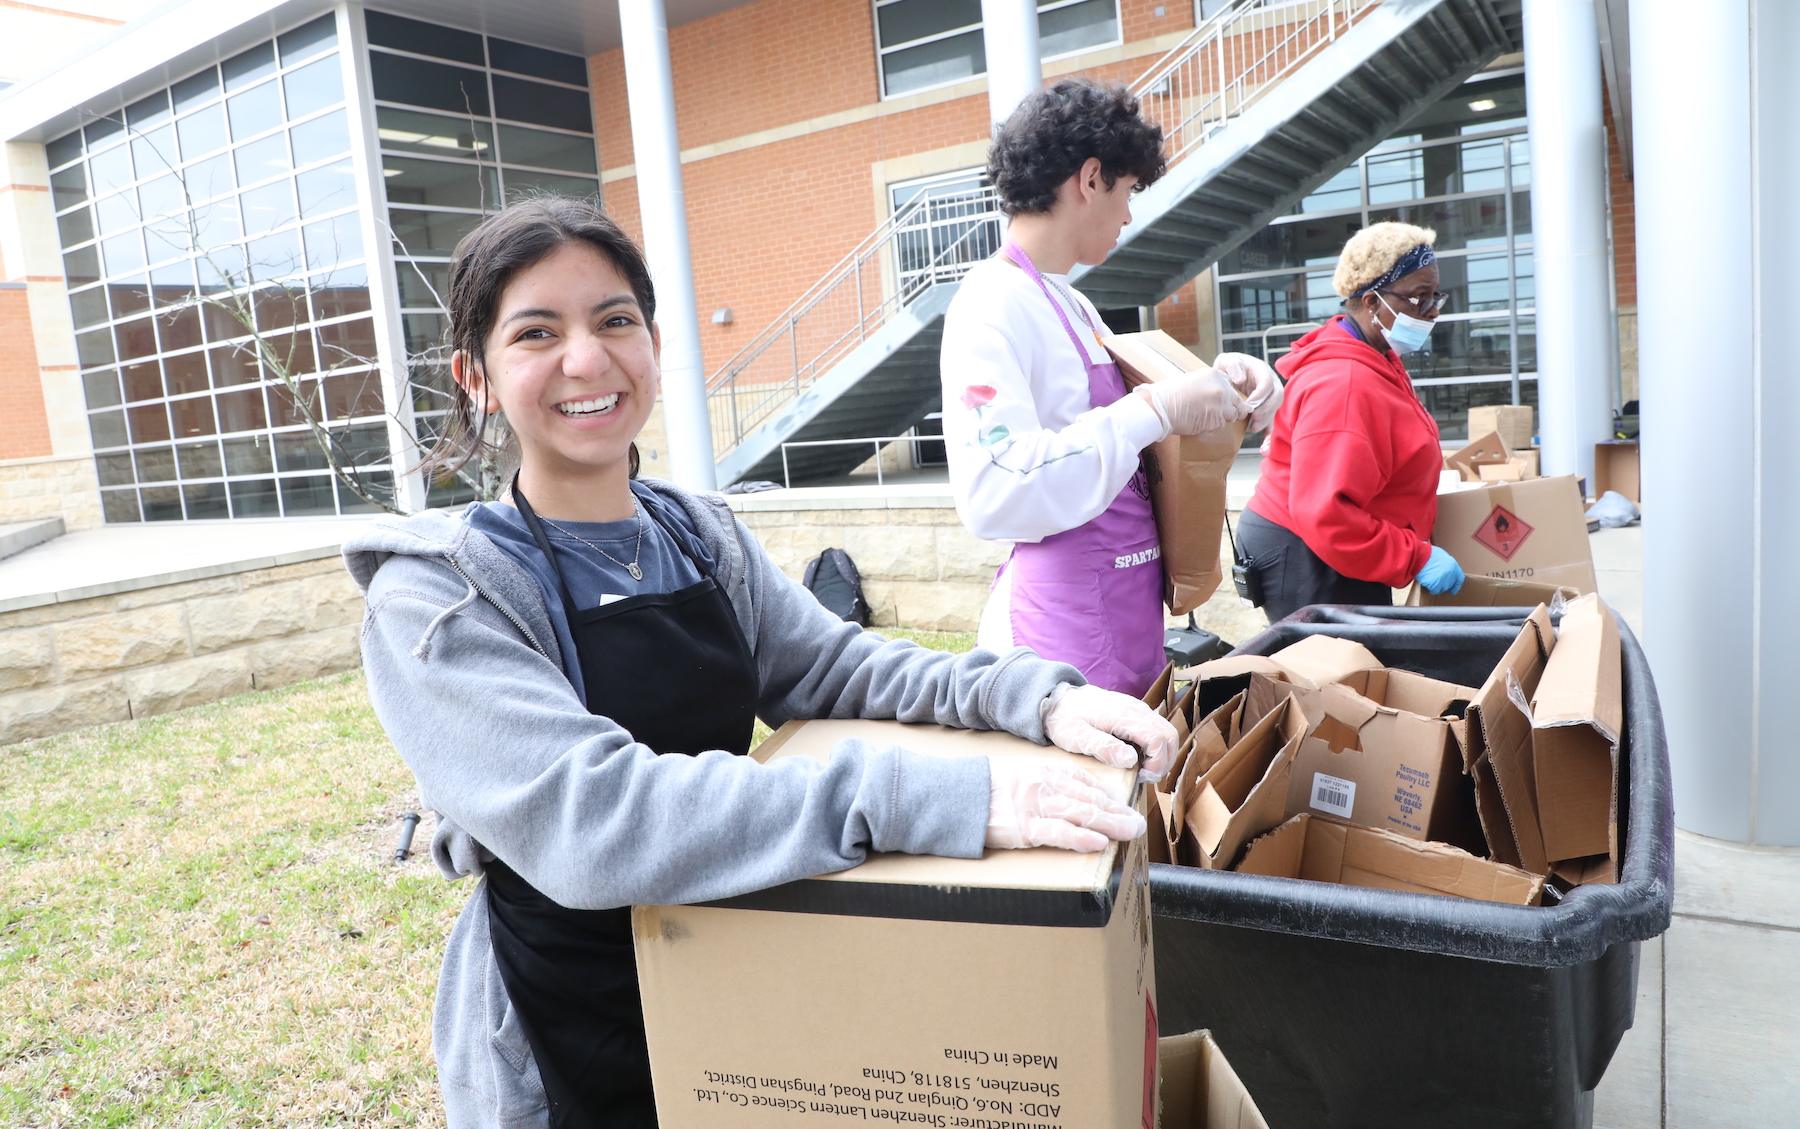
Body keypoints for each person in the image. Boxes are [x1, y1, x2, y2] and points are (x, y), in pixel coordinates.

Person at [342, 197, 1179, 1129]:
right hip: (566, 1020)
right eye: (537, 332)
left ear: (652, 343)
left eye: (615, 320)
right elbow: (595, 819)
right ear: (478, 376)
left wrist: (1031, 698)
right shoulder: (442, 596)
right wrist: (947, 800)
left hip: (736, 973)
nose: (587, 359)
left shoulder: (696, 534)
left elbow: (841, 668)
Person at [940, 79, 1283, 700]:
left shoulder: (1073, 304)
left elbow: (1152, 407)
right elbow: (994, 492)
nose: (1128, 214)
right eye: (1127, 192)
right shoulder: (988, 304)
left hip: (1129, 606)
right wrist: (1154, 409)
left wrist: (1234, 381)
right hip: (1057, 634)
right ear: (1090, 179)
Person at [1236, 221, 1466, 621]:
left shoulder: (1374, 357)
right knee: (1332, 674)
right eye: (1418, 297)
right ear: (1373, 301)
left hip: (1334, 545)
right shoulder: (1344, 382)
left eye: (1435, 297)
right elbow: (1326, 512)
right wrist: (1415, 557)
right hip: (1311, 551)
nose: (1431, 312)